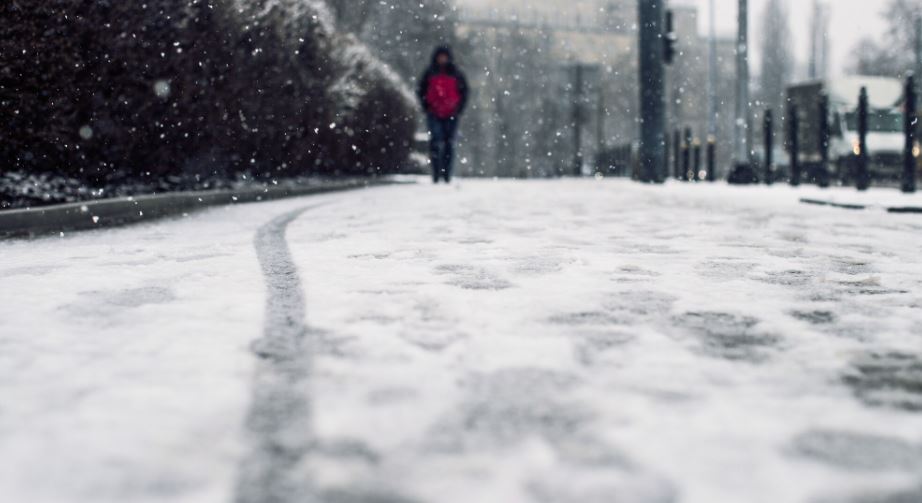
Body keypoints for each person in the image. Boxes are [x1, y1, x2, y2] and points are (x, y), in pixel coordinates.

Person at [417, 45, 469, 184]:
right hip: (433, 113)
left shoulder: (456, 73)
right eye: (440, 56)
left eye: (444, 56)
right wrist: (426, 106)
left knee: (448, 144)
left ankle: (446, 174)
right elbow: (421, 90)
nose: (442, 59)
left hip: (451, 113)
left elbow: (464, 92)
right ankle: (436, 173)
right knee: (436, 142)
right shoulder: (429, 72)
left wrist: (459, 108)